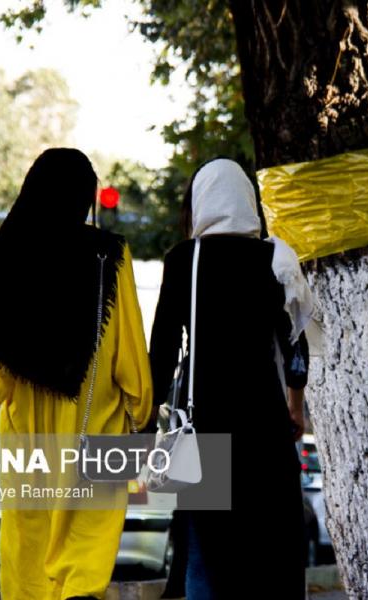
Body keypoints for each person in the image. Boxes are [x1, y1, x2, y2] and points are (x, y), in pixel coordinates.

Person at [0, 148, 153, 600]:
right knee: (84, 558)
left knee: (30, 551)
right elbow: (130, 344)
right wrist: (143, 416)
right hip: (95, 431)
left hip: (33, 438)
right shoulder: (110, 256)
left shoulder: (11, 251)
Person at [149, 158, 313, 600]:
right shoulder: (276, 259)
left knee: (206, 549)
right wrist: (294, 409)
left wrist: (145, 419)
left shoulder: (186, 260)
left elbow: (163, 349)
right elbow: (296, 347)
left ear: (201, 202)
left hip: (206, 427)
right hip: (265, 425)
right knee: (267, 545)